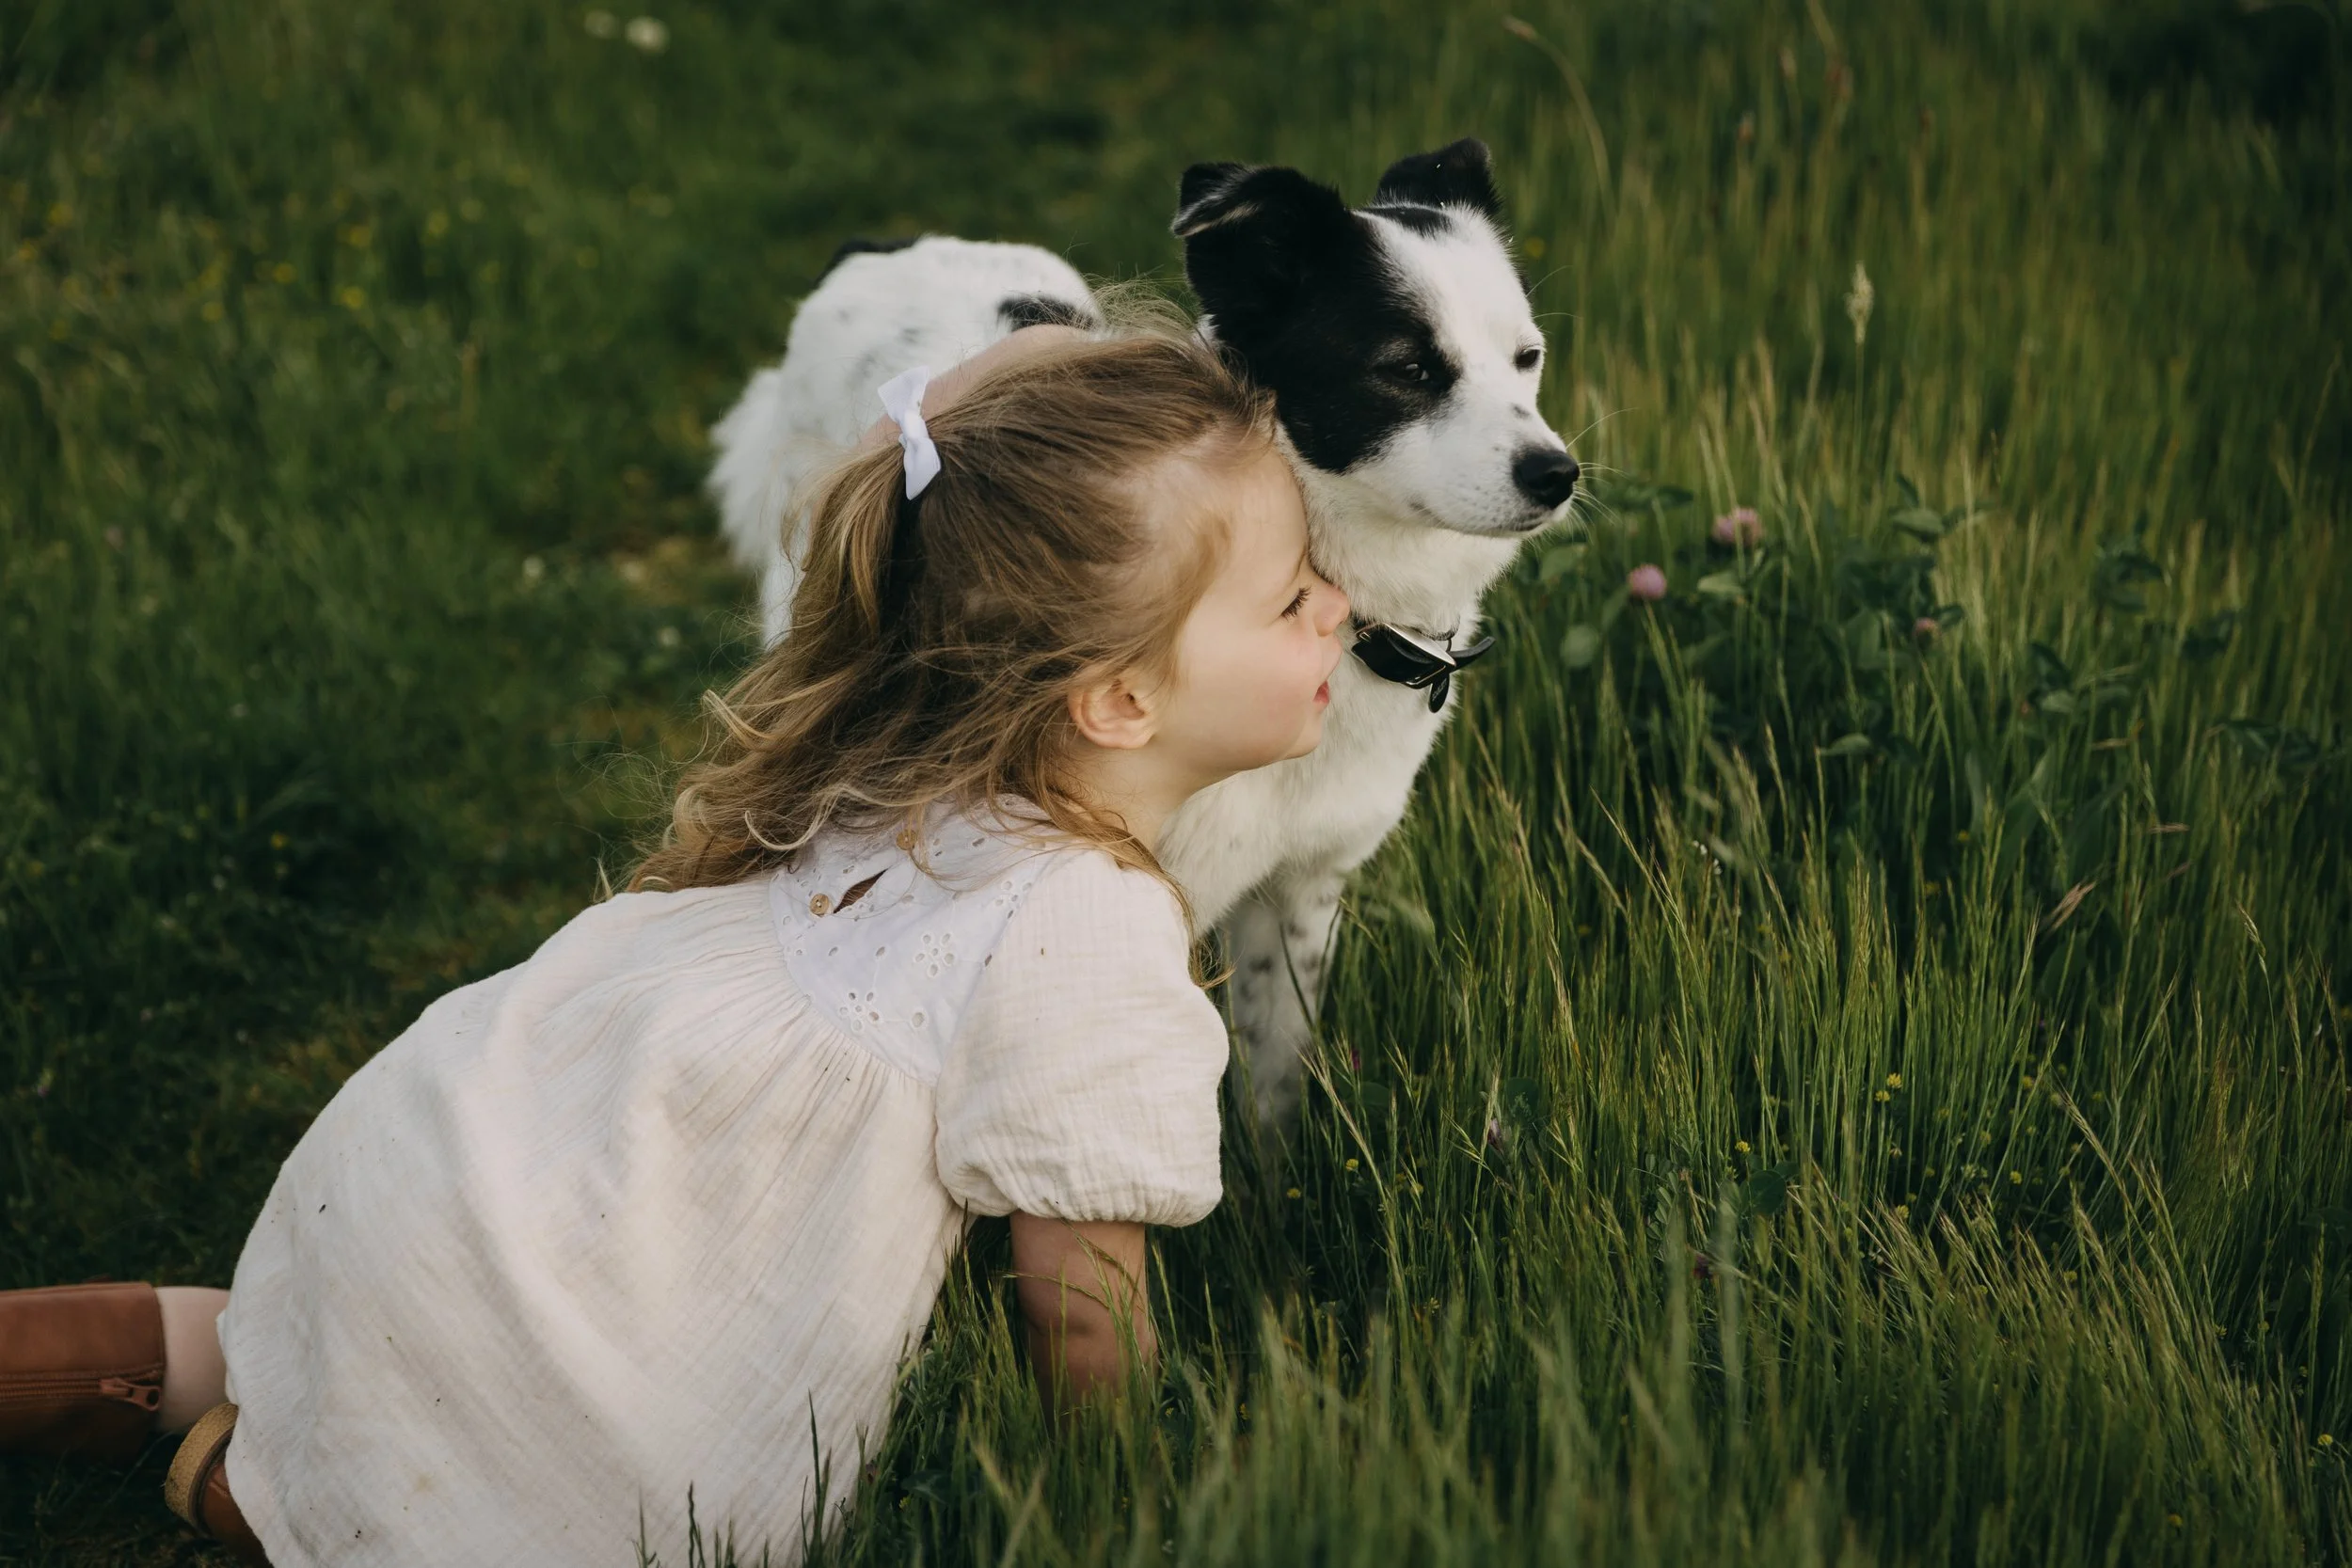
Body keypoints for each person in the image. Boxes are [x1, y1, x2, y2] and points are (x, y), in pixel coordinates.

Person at [0, 321, 1349, 1565]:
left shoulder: (925, 767)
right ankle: (270, 1496)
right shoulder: (1094, 921)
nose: (1336, 607)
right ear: (1117, 699)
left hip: (452, 1175)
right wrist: (1126, 1505)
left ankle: (156, 1385)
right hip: (573, 1357)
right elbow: (1078, 1303)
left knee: (280, 1334)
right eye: (1291, 596)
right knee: (533, 1481)